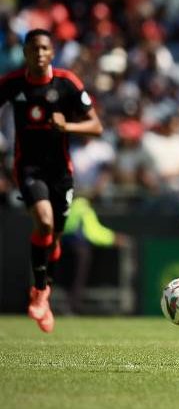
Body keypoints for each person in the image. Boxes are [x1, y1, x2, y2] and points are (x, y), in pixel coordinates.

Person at [0, 29, 103, 332]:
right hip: (28, 167)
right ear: (26, 53)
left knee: (54, 236)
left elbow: (96, 127)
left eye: (45, 48)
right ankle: (39, 293)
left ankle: (44, 290)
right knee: (43, 222)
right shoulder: (13, 84)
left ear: (52, 52)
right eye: (34, 49)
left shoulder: (67, 83)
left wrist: (67, 125)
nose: (40, 54)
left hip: (61, 172)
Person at [60, 194, 129, 314]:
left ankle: (64, 305)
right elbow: (93, 232)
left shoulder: (68, 209)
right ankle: (72, 307)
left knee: (68, 278)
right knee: (78, 278)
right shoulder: (84, 209)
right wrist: (113, 238)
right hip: (79, 249)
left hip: (62, 247)